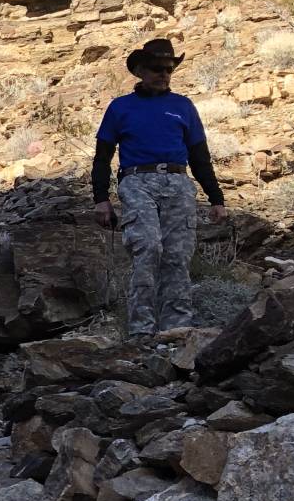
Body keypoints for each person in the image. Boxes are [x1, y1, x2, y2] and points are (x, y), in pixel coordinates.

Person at [90, 38, 227, 336]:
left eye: (169, 68)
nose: (163, 73)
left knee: (177, 255)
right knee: (148, 247)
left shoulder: (183, 106)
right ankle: (141, 329)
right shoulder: (120, 108)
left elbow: (200, 156)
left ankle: (176, 329)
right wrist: (101, 199)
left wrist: (216, 198)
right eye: (156, 68)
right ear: (139, 70)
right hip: (137, 181)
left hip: (178, 181)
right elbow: (102, 157)